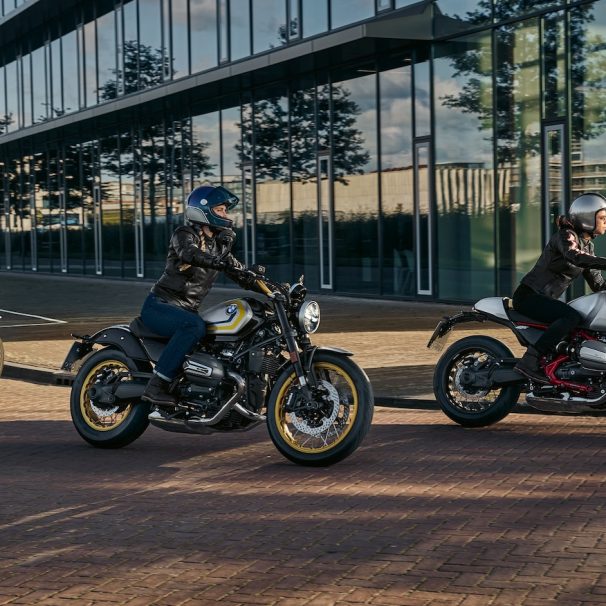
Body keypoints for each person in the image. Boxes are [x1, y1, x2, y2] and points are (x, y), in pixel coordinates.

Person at [140, 184, 255, 406]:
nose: (225, 215)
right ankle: (156, 385)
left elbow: (240, 273)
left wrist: (271, 287)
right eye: (220, 210)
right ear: (204, 211)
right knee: (194, 326)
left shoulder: (218, 247)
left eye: (225, 210)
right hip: (161, 306)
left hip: (186, 309)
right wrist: (218, 262)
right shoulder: (184, 234)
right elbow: (189, 253)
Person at [513, 192, 606, 383]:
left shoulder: (588, 247)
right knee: (571, 316)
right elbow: (574, 256)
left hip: (544, 299)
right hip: (529, 296)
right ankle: (529, 361)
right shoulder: (566, 236)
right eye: (602, 218)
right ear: (587, 218)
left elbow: (598, 283)